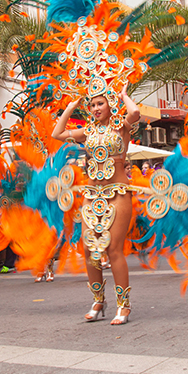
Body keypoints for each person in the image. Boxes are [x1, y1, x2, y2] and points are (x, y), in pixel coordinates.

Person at [53, 89, 141, 325]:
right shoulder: (88, 131)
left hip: (118, 192)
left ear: (109, 104)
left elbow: (135, 112)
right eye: (92, 105)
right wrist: (71, 107)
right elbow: (57, 133)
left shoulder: (121, 127)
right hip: (92, 194)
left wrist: (122, 95)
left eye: (100, 103)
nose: (95, 108)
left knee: (113, 249)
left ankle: (124, 305)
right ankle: (98, 301)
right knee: (88, 248)